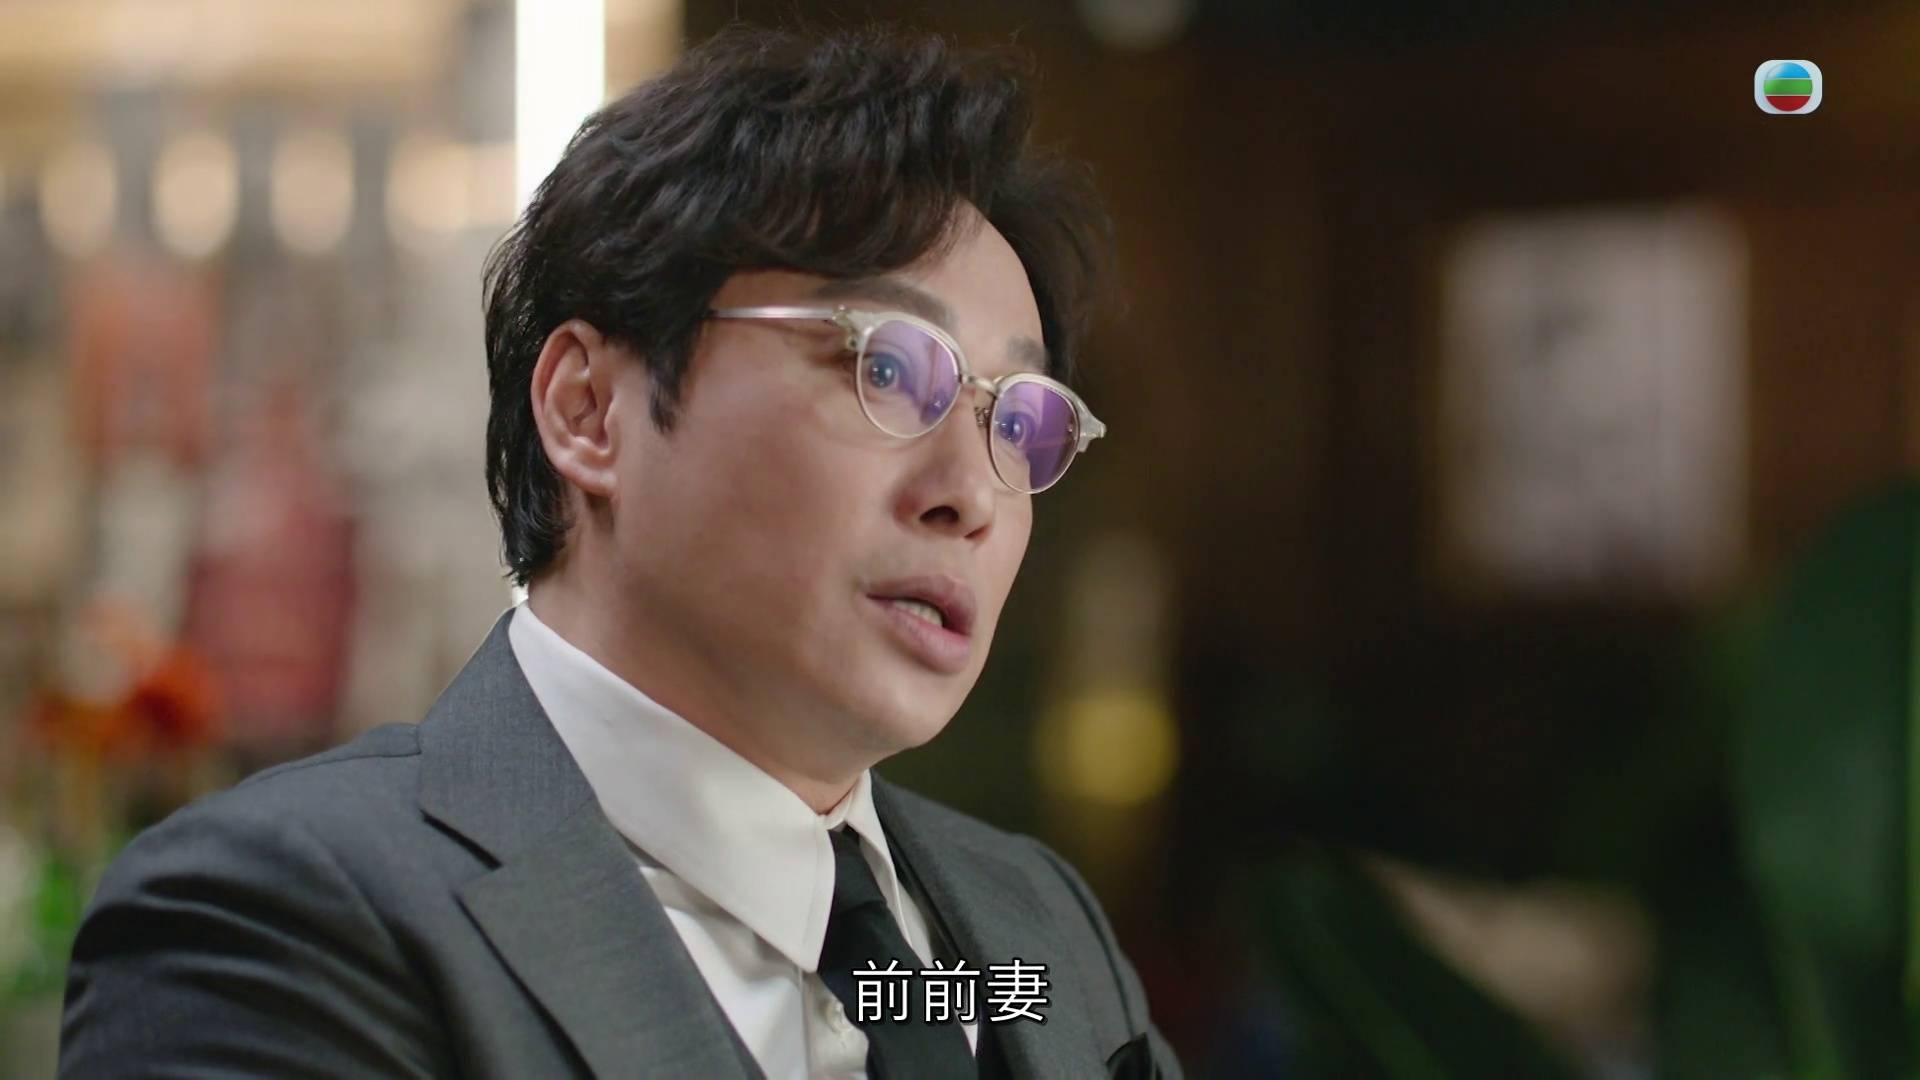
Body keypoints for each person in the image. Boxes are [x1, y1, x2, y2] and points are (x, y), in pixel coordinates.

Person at [59, 23, 1179, 1080]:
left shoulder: (1033, 931)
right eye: (888, 368)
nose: (971, 495)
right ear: (589, 410)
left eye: (1019, 421)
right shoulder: (283, 919)